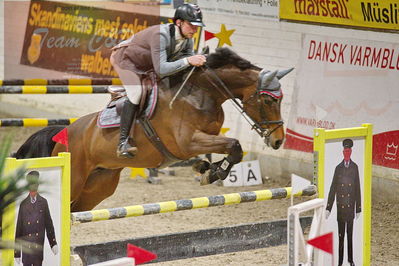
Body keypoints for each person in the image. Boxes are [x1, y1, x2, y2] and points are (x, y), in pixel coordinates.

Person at [110, 3, 207, 158]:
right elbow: (162, 69)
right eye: (191, 25)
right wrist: (189, 61)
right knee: (136, 93)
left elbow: (185, 62)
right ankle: (122, 142)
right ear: (179, 22)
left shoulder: (187, 38)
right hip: (125, 60)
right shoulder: (161, 36)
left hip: (146, 65)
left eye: (197, 26)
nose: (194, 30)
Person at [325, 139, 361, 266]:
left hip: (350, 207)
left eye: (349, 151)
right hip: (340, 208)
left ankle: (350, 260)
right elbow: (332, 188)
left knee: (349, 236)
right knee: (341, 237)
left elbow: (357, 189)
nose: (347, 153)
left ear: (351, 152)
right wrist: (328, 207)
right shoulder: (338, 168)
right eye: (345, 151)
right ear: (343, 152)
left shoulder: (355, 167)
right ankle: (340, 262)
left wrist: (358, 208)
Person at [14, 171, 58, 266]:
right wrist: (17, 253)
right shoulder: (23, 204)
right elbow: (19, 229)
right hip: (27, 249)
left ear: (38, 185)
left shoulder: (43, 202)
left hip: (38, 248)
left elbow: (49, 225)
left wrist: (53, 243)